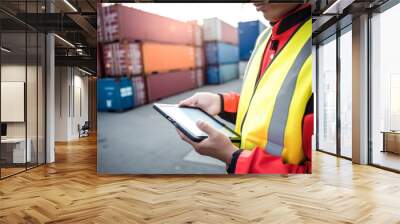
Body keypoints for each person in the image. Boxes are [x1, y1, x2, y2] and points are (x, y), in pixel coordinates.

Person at [178, 3, 313, 174]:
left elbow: (323, 181)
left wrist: (233, 157)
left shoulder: (327, 41)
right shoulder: (264, 38)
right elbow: (270, 105)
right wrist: (220, 102)